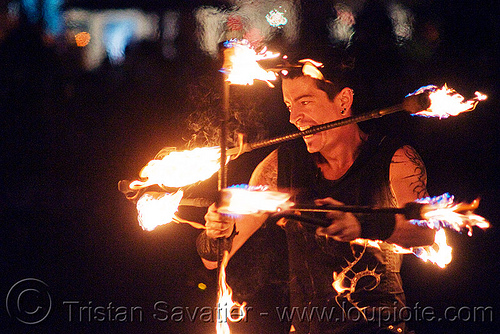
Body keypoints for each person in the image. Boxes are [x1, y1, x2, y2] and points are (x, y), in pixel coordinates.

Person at [196, 52, 435, 334]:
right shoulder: (278, 166)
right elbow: (213, 259)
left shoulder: (394, 159)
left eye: (305, 102)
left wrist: (362, 225)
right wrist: (215, 233)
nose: (294, 117)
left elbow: (426, 233)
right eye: (288, 105)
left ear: (343, 101)